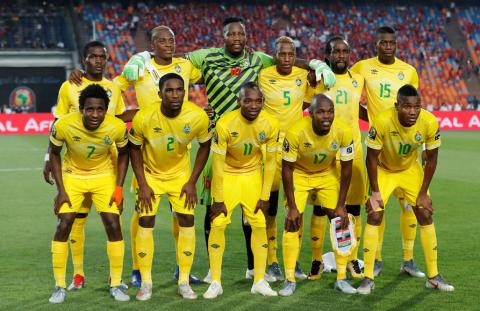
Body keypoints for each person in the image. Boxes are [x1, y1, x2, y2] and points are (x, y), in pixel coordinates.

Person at [71, 26, 204, 286]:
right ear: (152, 45)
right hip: (146, 147)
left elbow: (207, 74)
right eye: (162, 41)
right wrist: (82, 77)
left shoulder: (184, 66)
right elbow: (109, 86)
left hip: (179, 150)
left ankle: (182, 269)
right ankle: (135, 269)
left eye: (172, 40)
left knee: (182, 213)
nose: (169, 44)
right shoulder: (139, 66)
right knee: (143, 211)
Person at [43, 41, 128, 291]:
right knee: (75, 220)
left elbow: (119, 119)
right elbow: (58, 123)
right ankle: (77, 275)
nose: (98, 61)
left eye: (102, 57)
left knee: (113, 221)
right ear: (84, 60)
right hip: (75, 163)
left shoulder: (113, 88)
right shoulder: (70, 86)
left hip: (107, 163)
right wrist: (48, 158)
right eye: (93, 57)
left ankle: (116, 279)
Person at [357, 84, 454, 294]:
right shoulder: (382, 121)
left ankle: (433, 276)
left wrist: (423, 193)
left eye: (416, 106)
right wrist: (375, 193)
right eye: (407, 106)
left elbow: (432, 159)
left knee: (425, 213)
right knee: (374, 214)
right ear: (396, 106)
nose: (412, 111)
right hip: (383, 170)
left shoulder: (428, 121)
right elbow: (371, 159)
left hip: (410, 169)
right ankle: (368, 277)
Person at [129, 73, 211, 300]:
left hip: (181, 177)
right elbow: (133, 149)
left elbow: (205, 145)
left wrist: (192, 182)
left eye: (179, 90)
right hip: (151, 176)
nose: (175, 95)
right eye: (169, 90)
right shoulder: (144, 117)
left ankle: (184, 281)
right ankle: (146, 283)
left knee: (187, 220)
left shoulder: (196, 116)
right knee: (146, 220)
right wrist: (142, 184)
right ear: (160, 94)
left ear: (185, 93)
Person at [351, 26, 423, 278]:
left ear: (396, 44)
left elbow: (414, 108)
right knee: (376, 208)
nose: (388, 46)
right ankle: (377, 259)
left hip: (406, 154)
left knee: (410, 208)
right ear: (376, 44)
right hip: (379, 151)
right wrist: (369, 118)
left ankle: (408, 259)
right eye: (383, 42)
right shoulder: (362, 67)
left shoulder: (409, 71)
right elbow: (352, 98)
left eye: (392, 42)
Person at [203, 82, 278, 299]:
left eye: (257, 101)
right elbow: (217, 164)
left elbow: (271, 163)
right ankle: (215, 281)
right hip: (227, 175)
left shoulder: (270, 124)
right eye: (248, 100)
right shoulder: (225, 124)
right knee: (217, 223)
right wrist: (217, 199)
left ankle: (259, 280)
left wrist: (265, 197)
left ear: (263, 102)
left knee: (260, 223)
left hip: (252, 175)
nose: (253, 105)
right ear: (239, 102)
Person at [280, 94, 355, 296]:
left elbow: (347, 169)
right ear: (311, 113)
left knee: (340, 221)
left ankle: (341, 278)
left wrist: (341, 204)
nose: (326, 116)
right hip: (299, 174)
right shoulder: (296, 132)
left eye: (330, 111)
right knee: (292, 221)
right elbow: (286, 169)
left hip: (326, 174)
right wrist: (292, 207)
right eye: (321, 112)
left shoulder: (343, 131)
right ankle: (289, 279)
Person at [257, 36, 315, 282]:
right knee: (268, 207)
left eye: (291, 54)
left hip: (295, 149)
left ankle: (294, 260)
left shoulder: (303, 76)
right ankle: (271, 261)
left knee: (295, 207)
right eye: (282, 54)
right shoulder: (263, 74)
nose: (287, 59)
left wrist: (313, 65)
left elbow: (313, 91)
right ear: (275, 54)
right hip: (269, 149)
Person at [310, 36, 367, 280]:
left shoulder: (358, 79)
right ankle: (316, 260)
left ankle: (352, 259)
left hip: (352, 153)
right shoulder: (317, 79)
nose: (341, 55)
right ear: (328, 55)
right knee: (321, 209)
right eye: (336, 52)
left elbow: (360, 109)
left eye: (345, 51)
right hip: (324, 153)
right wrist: (315, 65)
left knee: (353, 208)